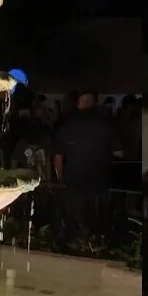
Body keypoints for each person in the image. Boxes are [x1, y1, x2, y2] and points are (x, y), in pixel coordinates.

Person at [52, 90, 122, 242]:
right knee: (98, 228)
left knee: (74, 226)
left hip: (74, 184)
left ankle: (75, 250)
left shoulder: (67, 125)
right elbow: (119, 153)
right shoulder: (106, 125)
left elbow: (58, 158)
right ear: (94, 102)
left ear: (78, 103)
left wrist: (61, 179)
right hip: (100, 184)